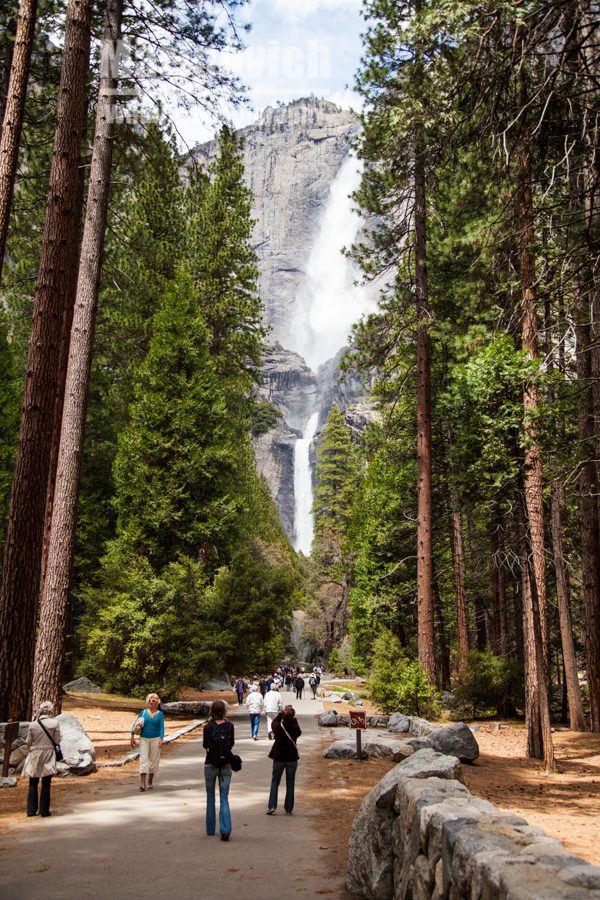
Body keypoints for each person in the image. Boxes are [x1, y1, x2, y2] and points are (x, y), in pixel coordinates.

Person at [22, 700, 62, 817]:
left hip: (35, 754)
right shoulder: (54, 724)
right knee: (46, 782)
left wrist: (33, 748)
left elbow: (28, 741)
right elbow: (57, 740)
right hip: (48, 753)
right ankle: (44, 811)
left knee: (33, 782)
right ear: (50, 711)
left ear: (40, 711)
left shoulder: (33, 724)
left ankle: (30, 810)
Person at [203, 699, 235, 841]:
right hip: (226, 764)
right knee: (224, 797)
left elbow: (205, 745)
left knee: (210, 797)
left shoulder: (207, 727)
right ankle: (225, 828)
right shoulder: (230, 726)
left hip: (210, 763)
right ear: (224, 711)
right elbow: (232, 743)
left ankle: (210, 829)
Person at [266, 705, 301, 815]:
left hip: (279, 757)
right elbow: (298, 732)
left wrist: (281, 714)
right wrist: (292, 716)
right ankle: (288, 808)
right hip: (291, 758)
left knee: (275, 782)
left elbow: (273, 724)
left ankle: (272, 806)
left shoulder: (278, 726)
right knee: (290, 783)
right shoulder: (295, 727)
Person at [130, 692, 164, 792]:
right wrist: (132, 737)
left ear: (157, 702)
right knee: (143, 760)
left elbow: (161, 727)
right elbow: (135, 724)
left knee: (153, 761)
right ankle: (142, 783)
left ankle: (150, 781)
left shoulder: (160, 714)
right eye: (149, 700)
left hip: (155, 739)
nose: (151, 702)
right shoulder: (143, 712)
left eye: (153, 700)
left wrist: (161, 739)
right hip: (144, 739)